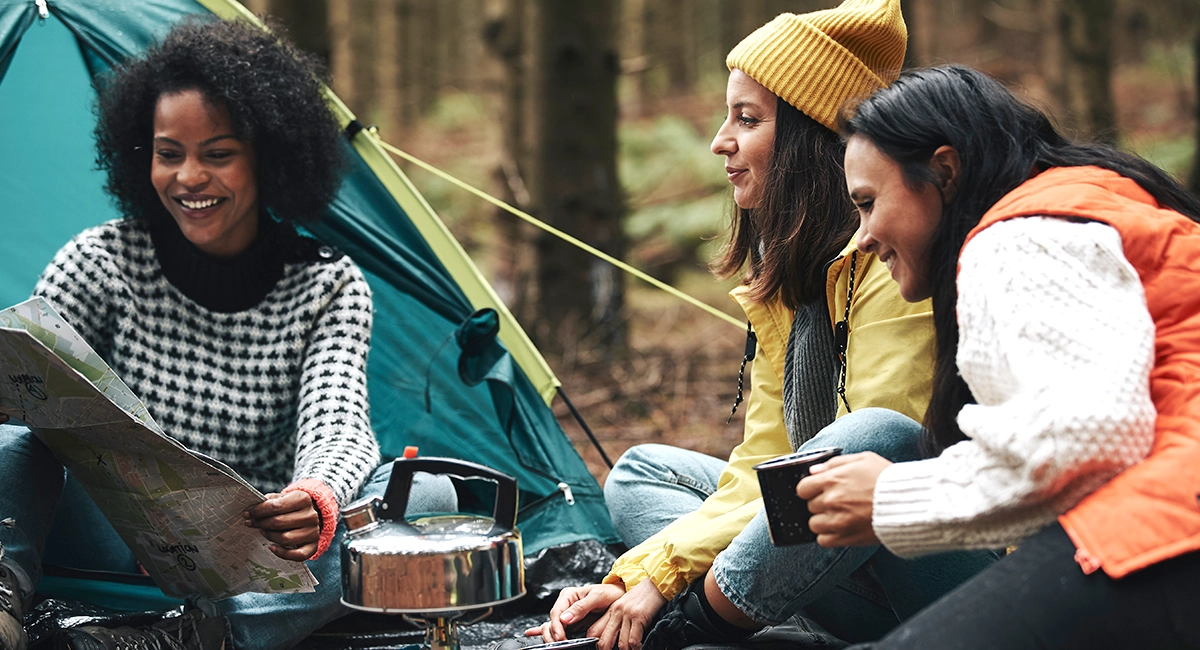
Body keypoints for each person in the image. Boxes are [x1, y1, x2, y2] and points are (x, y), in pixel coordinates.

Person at [524, 3, 994, 650]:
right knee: (639, 475)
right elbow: (767, 467)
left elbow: (851, 469)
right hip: (827, 547)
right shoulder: (793, 277)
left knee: (865, 440)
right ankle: (778, 617)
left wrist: (665, 590)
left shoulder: (898, 265)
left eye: (747, 119)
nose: (721, 140)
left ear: (811, 137)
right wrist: (641, 573)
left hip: (945, 570)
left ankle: (721, 621)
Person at [0, 18, 453, 650]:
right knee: (14, 432)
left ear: (268, 158)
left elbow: (339, 420)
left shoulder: (328, 286)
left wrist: (316, 496)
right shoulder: (100, 261)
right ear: (141, 155)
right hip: (112, 538)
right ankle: (4, 601)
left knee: (428, 494)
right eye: (168, 154)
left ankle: (191, 636)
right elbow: (24, 383)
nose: (188, 178)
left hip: (260, 557)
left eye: (218, 154)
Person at [795, 64, 1200, 649]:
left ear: (944, 171)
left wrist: (893, 496)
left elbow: (1084, 440)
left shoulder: (1015, 239)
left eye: (867, 202)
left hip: (1171, 531)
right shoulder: (1093, 201)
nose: (862, 237)